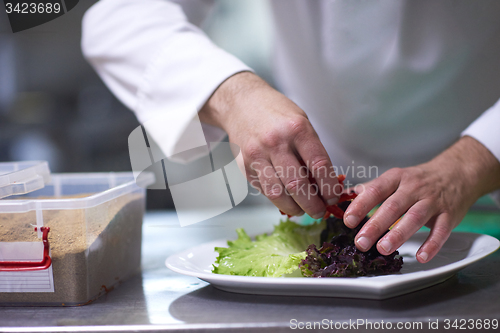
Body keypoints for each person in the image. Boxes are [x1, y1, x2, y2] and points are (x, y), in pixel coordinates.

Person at [81, 0, 500, 264]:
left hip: (482, 183)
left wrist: (470, 165)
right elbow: (120, 15)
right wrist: (235, 96)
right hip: (316, 185)